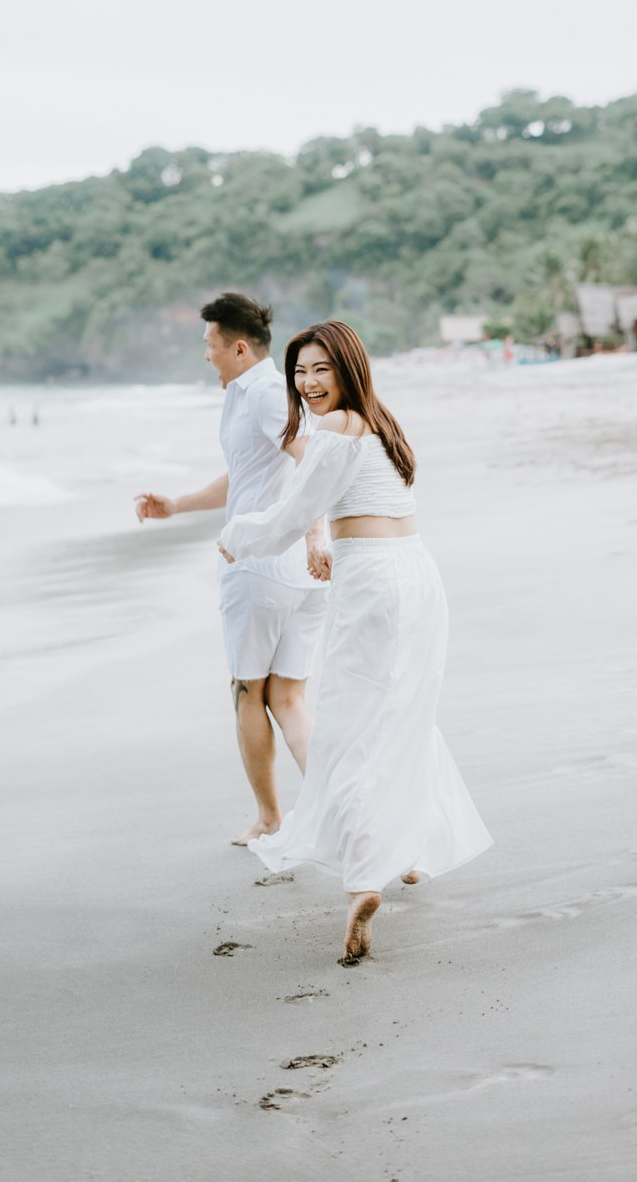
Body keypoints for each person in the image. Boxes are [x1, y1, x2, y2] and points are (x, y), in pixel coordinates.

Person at [217, 320, 492, 964]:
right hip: (418, 574)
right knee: (405, 715)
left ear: (346, 368)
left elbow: (290, 515)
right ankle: (413, 852)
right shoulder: (380, 423)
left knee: (352, 724)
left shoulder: (335, 427)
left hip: (373, 580)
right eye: (299, 373)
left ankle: (366, 879)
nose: (309, 384)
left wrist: (237, 535)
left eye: (321, 370)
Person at [135, 294, 330, 845]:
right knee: (288, 700)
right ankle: (345, 816)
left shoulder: (264, 394)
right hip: (300, 574)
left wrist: (314, 534)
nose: (206, 357)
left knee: (249, 692)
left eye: (210, 346)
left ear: (239, 348)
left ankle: (271, 819)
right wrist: (174, 505)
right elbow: (245, 473)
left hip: (263, 568)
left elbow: (308, 456)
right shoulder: (257, 395)